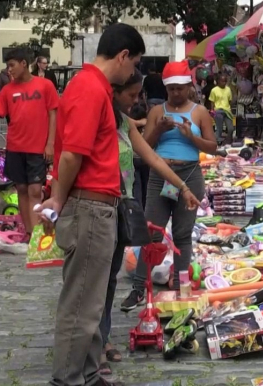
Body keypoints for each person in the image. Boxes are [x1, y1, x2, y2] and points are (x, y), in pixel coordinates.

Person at [37, 23, 145, 386]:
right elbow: (71, 156)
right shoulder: (90, 88)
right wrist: (57, 198)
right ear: (123, 56)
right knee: (82, 301)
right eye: (134, 65)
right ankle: (67, 377)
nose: (132, 74)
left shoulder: (93, 87)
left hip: (97, 205)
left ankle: (86, 372)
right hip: (89, 206)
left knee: (92, 300)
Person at [98, 71, 199, 376]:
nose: (136, 101)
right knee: (100, 278)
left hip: (129, 201)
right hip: (100, 205)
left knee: (112, 277)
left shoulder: (126, 123)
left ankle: (102, 340)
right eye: (131, 96)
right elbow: (71, 157)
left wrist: (183, 185)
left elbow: (150, 156)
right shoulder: (109, 118)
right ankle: (94, 346)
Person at [121, 60, 217, 311]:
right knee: (152, 233)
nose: (176, 93)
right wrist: (160, 129)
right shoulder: (156, 112)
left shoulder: (199, 112)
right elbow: (144, 147)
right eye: (171, 88)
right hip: (160, 175)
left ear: (189, 87)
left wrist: (191, 137)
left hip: (190, 174)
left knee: (183, 235)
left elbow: (212, 147)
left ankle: (180, 287)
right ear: (165, 89)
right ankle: (139, 288)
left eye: (180, 88)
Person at [0, 49, 58, 241]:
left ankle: (37, 234)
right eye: (7, 66)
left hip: (37, 149)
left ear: (24, 63)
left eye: (12, 65)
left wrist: (50, 143)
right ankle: (28, 232)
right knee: (22, 190)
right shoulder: (7, 90)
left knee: (36, 190)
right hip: (16, 147)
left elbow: (53, 114)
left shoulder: (45, 85)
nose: (9, 70)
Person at [129, 104, 150, 207]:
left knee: (136, 192)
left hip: (132, 161)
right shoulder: (146, 127)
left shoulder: (129, 126)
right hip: (145, 161)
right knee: (145, 190)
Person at [209, 74, 234, 144]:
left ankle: (228, 141)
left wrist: (230, 110)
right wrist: (212, 110)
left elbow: (230, 100)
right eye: (222, 81)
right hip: (218, 111)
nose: (224, 83)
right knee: (219, 129)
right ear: (218, 81)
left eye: (225, 81)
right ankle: (215, 143)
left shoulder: (228, 89)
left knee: (231, 129)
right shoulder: (214, 90)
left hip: (227, 111)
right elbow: (212, 101)